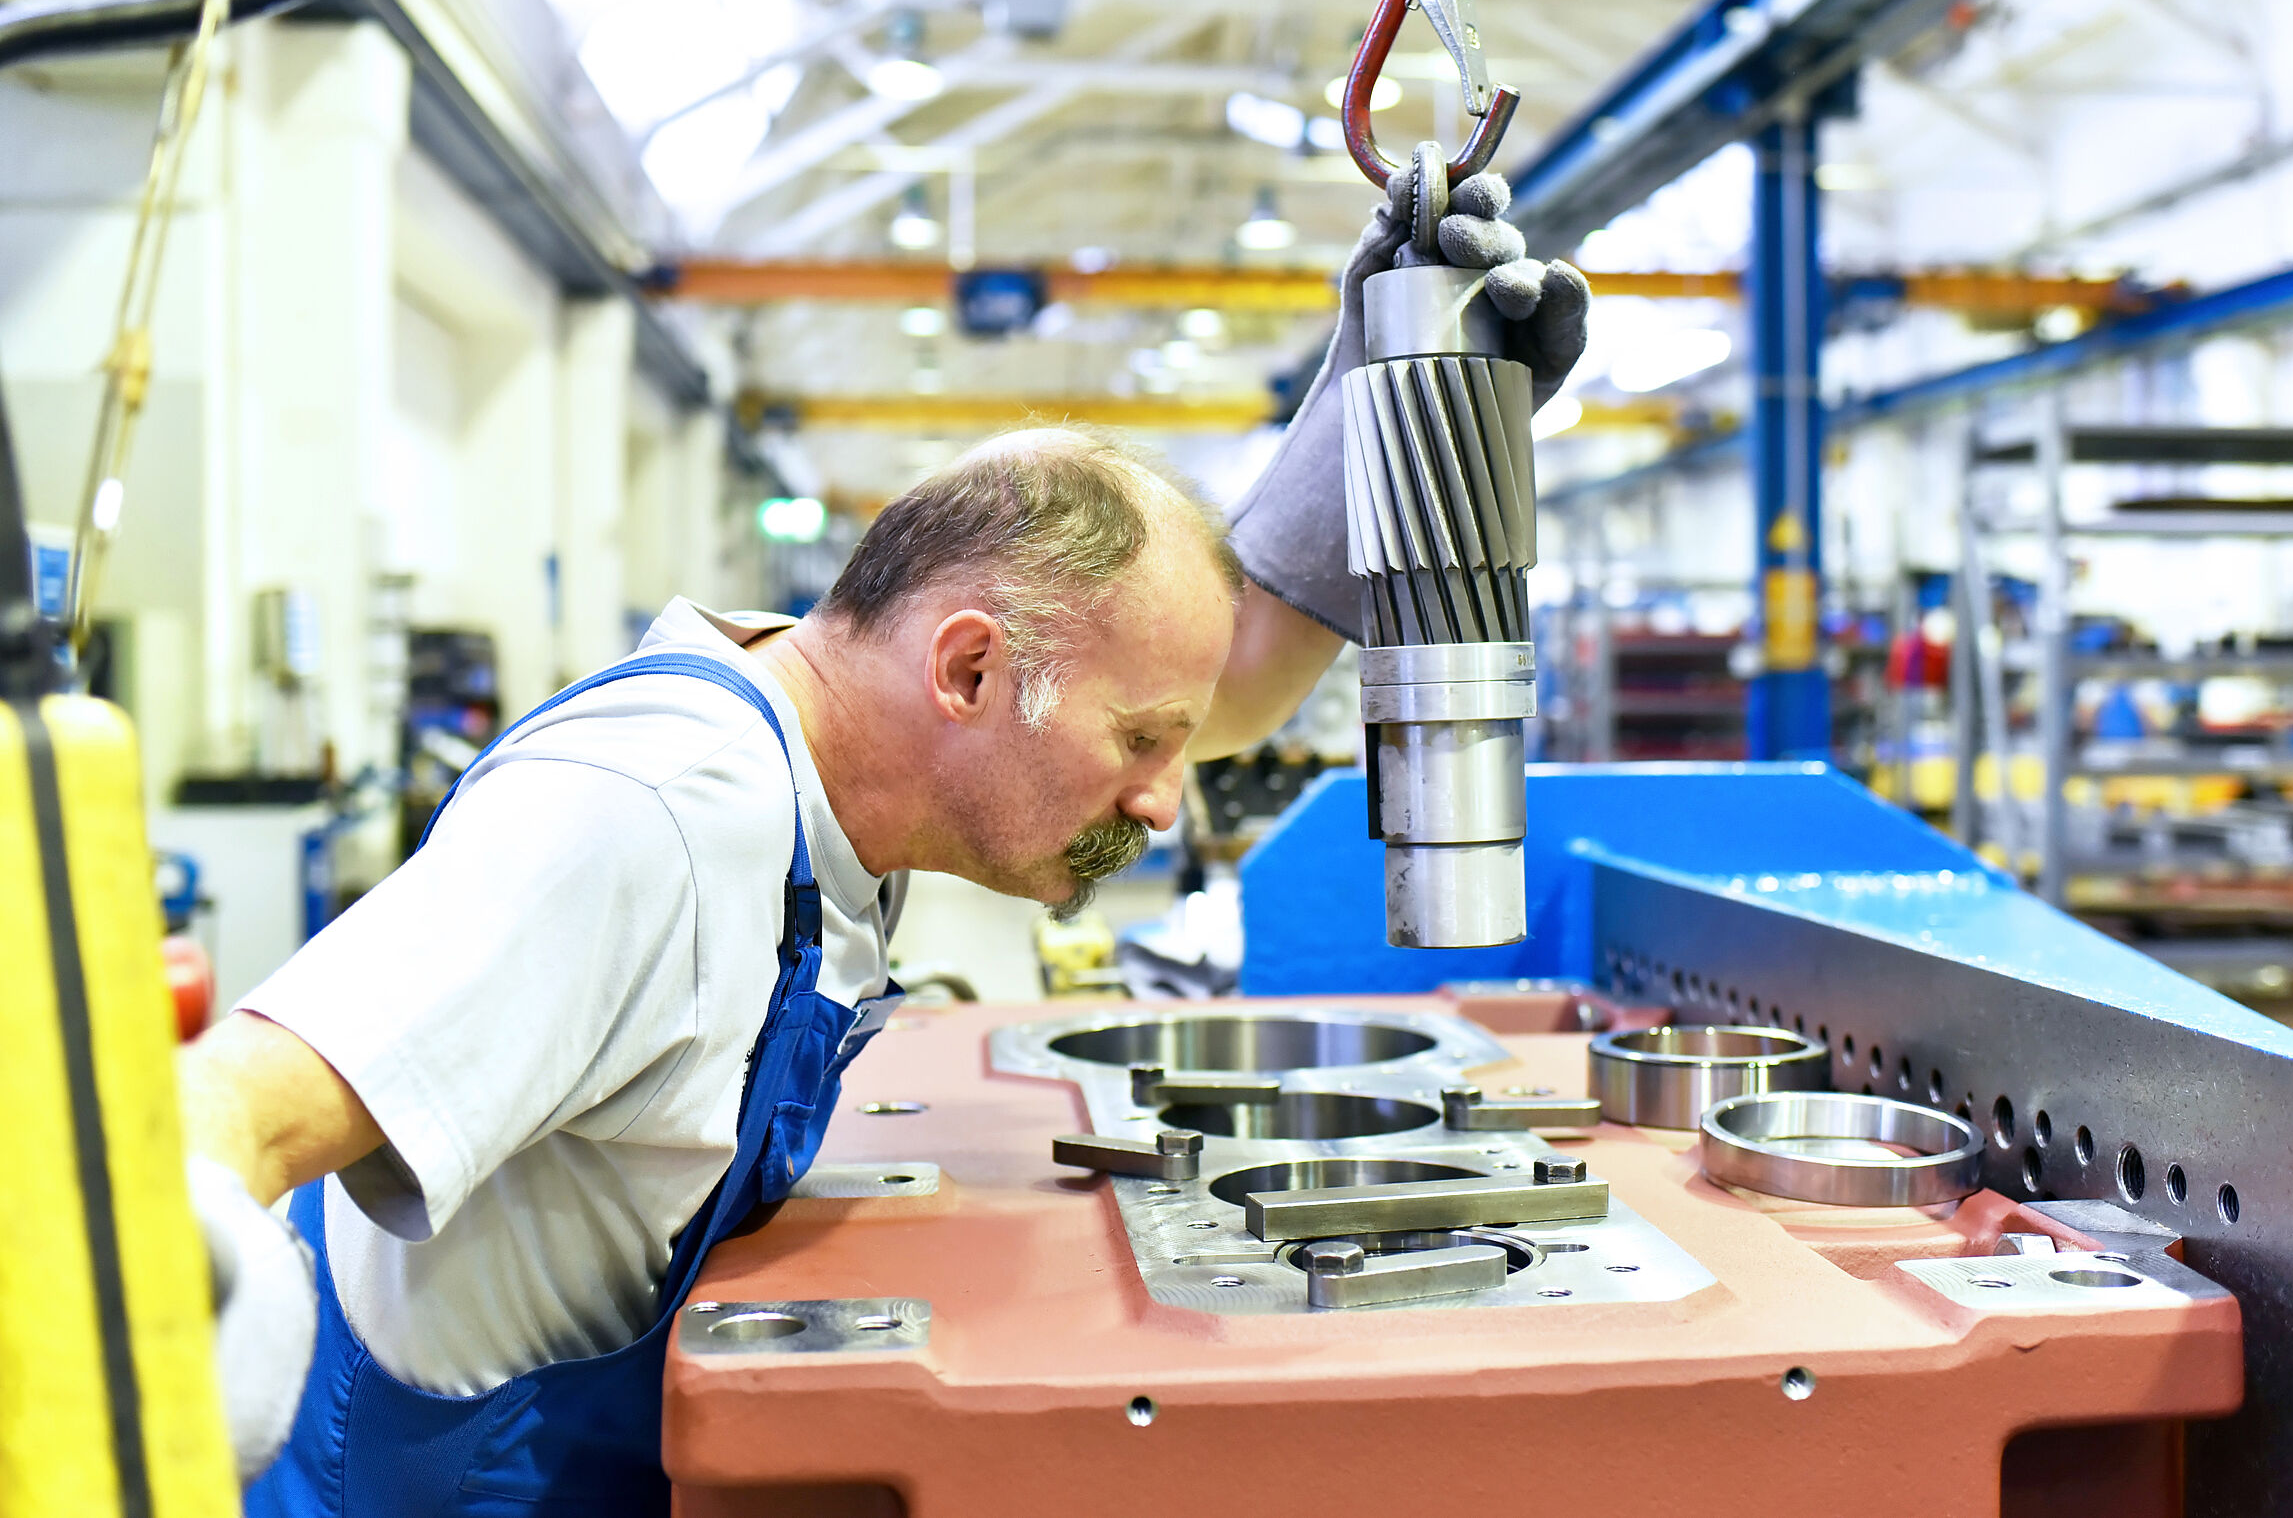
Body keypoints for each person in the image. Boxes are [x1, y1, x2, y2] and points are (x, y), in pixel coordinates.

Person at [183, 165, 1587, 1516]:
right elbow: (224, 1109)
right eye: (1139, 745)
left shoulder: (863, 751)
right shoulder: (645, 818)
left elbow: (1230, 676)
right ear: (969, 671)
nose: (1170, 797)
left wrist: (1399, 413)